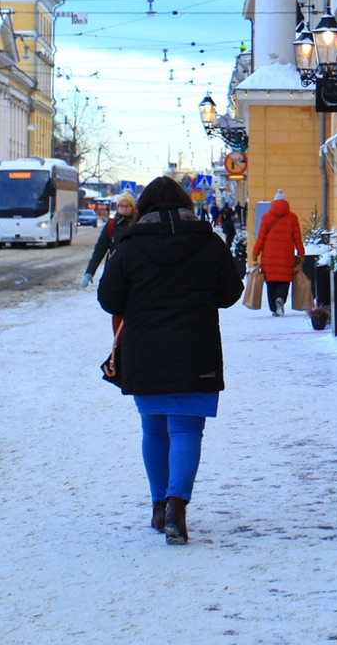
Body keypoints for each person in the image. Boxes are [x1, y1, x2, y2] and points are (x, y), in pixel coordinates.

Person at [96, 176, 243, 545]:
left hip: (146, 351)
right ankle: (178, 506)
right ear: (186, 204)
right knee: (186, 430)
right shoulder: (208, 241)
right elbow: (230, 293)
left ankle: (159, 505)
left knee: (155, 430)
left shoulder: (129, 245)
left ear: (143, 208)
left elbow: (109, 300)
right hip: (197, 350)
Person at [251, 189, 305, 317]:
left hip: (269, 257)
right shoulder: (293, 217)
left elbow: (261, 238)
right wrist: (301, 253)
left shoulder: (266, 217)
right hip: (286, 256)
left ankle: (273, 309)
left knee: (271, 282)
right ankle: (280, 299)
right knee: (284, 280)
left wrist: (255, 253)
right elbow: (297, 238)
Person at [80, 189, 137, 289]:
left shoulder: (137, 225)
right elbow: (100, 249)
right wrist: (90, 272)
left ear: (132, 208)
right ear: (118, 207)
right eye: (121, 206)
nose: (124, 208)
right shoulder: (111, 225)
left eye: (127, 206)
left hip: (134, 271)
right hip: (114, 269)